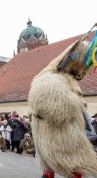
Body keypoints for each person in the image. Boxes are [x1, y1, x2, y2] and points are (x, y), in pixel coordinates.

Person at [29, 37, 97, 178]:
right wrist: (76, 103)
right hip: (57, 137)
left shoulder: (66, 78)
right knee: (70, 166)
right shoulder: (50, 77)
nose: (82, 72)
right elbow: (51, 106)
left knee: (69, 167)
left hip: (65, 136)